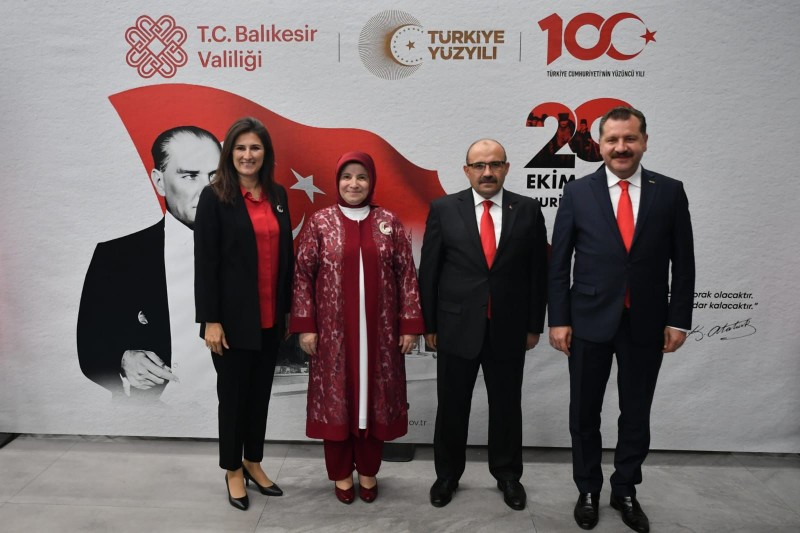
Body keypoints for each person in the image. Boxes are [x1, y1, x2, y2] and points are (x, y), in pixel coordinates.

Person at [548, 106, 695, 532]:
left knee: (636, 413)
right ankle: (587, 489)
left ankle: (626, 488)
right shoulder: (578, 192)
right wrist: (559, 319)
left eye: (630, 138)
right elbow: (559, 263)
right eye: (612, 140)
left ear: (644, 141)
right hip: (588, 321)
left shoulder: (670, 191)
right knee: (583, 414)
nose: (621, 147)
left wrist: (679, 320)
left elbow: (684, 263)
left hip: (647, 323)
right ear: (599, 146)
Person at [418, 139, 548, 511]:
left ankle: (508, 476)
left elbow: (537, 272)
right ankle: (447, 476)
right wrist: (430, 325)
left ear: (506, 168)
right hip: (455, 327)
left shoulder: (528, 210)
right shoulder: (444, 209)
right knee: (452, 406)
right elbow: (429, 272)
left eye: (494, 164)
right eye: (479, 165)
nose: (487, 172)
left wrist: (534, 325)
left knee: (506, 406)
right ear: (466, 170)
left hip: (509, 328)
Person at [290, 151, 424, 505]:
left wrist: (409, 325)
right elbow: (302, 275)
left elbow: (407, 275)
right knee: (336, 403)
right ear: (337, 181)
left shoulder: (388, 222)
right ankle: (340, 474)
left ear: (371, 182)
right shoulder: (320, 222)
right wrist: (306, 325)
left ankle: (368, 471)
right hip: (333, 337)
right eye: (347, 176)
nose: (354, 183)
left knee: (374, 402)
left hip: (380, 336)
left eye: (361, 177)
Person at [77, 126, 221, 401]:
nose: (207, 189)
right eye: (190, 176)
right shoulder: (115, 257)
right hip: (149, 413)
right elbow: (89, 346)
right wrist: (122, 359)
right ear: (159, 182)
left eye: (215, 176)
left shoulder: (250, 250)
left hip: (233, 410)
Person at [194, 117, 294, 511]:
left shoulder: (278, 195)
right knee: (233, 398)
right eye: (240, 148)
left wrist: (289, 311)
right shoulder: (214, 197)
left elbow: (285, 257)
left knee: (259, 395)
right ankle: (233, 469)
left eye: (255, 147)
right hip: (231, 323)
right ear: (229, 153)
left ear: (265, 153)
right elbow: (206, 263)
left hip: (270, 319)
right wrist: (211, 320)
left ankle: (253, 460)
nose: (247, 155)